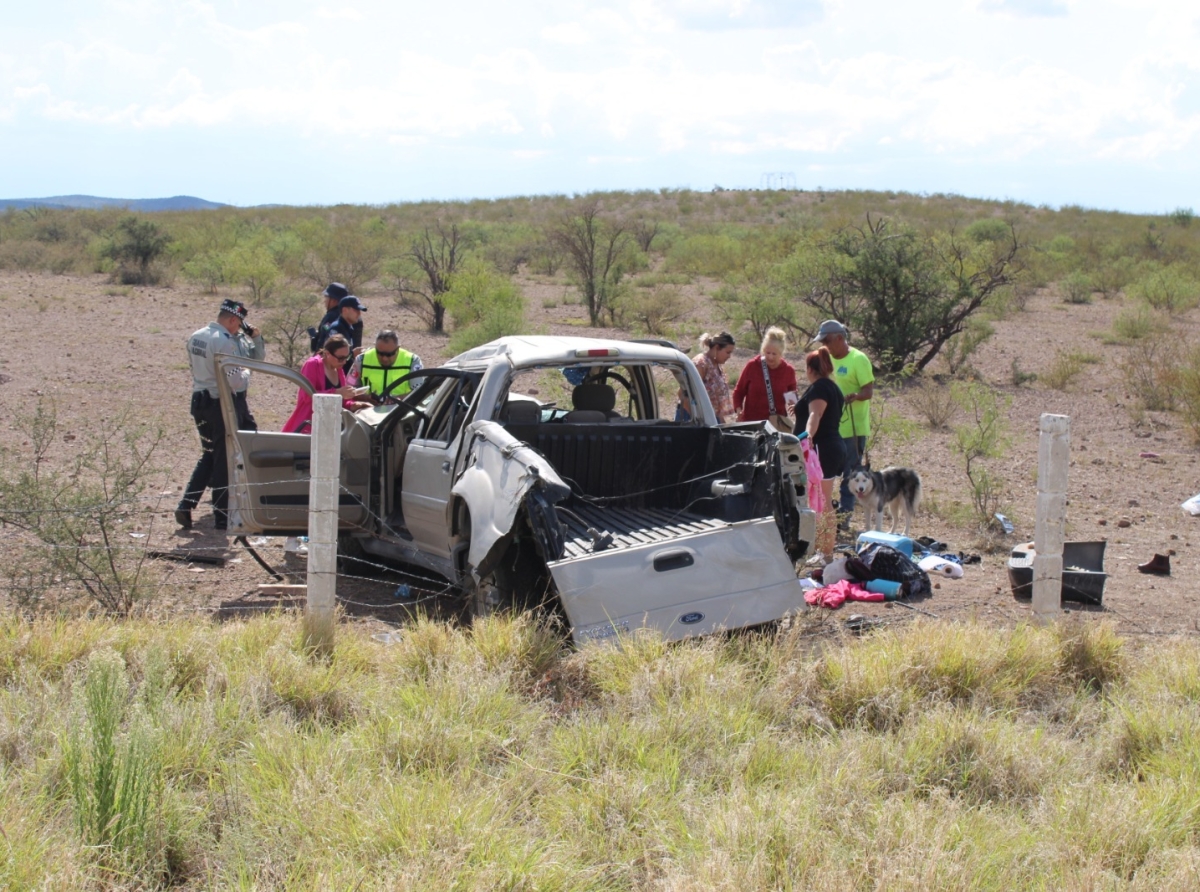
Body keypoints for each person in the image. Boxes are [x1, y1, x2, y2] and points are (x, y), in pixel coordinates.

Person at [176, 299, 266, 531]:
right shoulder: (225, 342)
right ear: (233, 320)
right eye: (238, 325)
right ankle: (221, 516)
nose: (238, 329)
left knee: (210, 453)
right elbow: (235, 380)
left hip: (200, 400)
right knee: (223, 459)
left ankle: (187, 503)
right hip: (219, 403)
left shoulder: (197, 335)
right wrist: (247, 370)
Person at [810, 319, 875, 527]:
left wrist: (855, 396)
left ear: (840, 338)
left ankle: (843, 519)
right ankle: (823, 517)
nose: (825, 346)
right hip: (829, 431)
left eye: (827, 341)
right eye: (822, 342)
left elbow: (868, 390)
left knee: (850, 477)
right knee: (823, 476)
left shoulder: (859, 359)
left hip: (852, 429)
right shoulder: (825, 359)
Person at [796, 346, 846, 558]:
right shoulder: (832, 387)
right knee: (822, 500)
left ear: (810, 369)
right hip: (832, 448)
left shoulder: (819, 388)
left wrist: (806, 436)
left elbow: (815, 415)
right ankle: (821, 550)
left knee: (823, 501)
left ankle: (825, 554)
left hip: (822, 449)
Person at [282, 335, 372, 434]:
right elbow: (308, 396)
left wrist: (355, 405)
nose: (344, 361)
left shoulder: (338, 369)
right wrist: (337, 392)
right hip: (308, 427)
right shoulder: (312, 365)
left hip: (329, 429)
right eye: (340, 358)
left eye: (347, 357)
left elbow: (341, 402)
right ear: (327, 353)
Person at [732, 326, 797, 426]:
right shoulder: (753, 365)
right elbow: (739, 391)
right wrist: (738, 410)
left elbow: (791, 396)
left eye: (774, 354)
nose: (770, 357)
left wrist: (794, 405)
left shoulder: (788, 371)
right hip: (751, 423)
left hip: (775, 425)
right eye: (767, 352)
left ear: (781, 353)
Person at [676, 331, 736, 422]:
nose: (729, 356)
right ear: (717, 348)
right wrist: (699, 420)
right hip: (691, 418)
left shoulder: (717, 366)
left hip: (711, 419)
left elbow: (716, 404)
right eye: (728, 352)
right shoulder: (701, 364)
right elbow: (682, 394)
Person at [349, 329, 422, 401]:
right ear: (375, 347)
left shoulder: (412, 360)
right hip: (368, 409)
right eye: (380, 353)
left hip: (401, 410)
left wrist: (399, 399)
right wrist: (366, 398)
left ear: (397, 349)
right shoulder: (361, 360)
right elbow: (349, 388)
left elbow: (420, 391)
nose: (384, 358)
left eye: (389, 354)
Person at [326, 295, 366, 371]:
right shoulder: (337, 328)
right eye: (356, 310)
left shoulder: (348, 328)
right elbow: (333, 356)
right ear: (345, 310)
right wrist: (352, 354)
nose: (359, 314)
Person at [308, 283, 350, 353]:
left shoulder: (331, 316)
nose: (325, 301)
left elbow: (324, 340)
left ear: (334, 300)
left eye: (327, 297)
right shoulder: (346, 315)